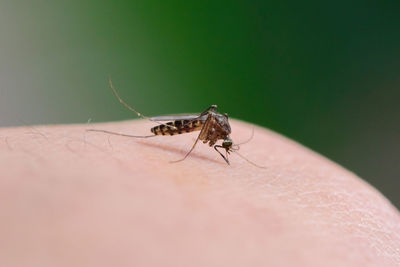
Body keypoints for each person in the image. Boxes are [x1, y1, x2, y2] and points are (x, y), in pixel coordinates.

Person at [1, 119, 399, 266]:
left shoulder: (224, 139)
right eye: (223, 145)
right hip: (190, 126)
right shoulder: (213, 133)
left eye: (221, 145)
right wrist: (196, 141)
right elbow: (214, 123)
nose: (223, 148)